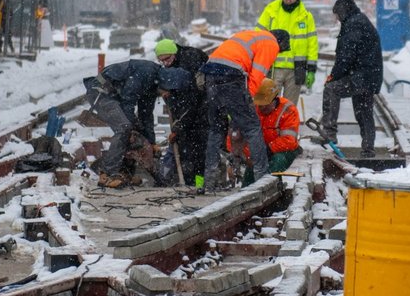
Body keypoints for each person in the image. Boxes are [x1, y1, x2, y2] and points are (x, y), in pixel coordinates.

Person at [200, 28, 291, 189]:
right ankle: (262, 180)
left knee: (216, 128)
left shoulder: (252, 35)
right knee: (252, 127)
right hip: (230, 75)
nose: (278, 54)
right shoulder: (271, 43)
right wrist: (248, 100)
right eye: (281, 50)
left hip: (211, 73)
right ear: (280, 42)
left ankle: (209, 181)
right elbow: (257, 74)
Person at [83, 59, 188, 189]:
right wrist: (132, 131)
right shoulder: (145, 72)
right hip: (100, 92)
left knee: (135, 131)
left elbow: (146, 115)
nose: (167, 95)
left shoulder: (153, 85)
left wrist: (151, 142)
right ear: (166, 83)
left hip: (114, 95)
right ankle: (108, 174)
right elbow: (128, 102)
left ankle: (124, 172)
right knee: (124, 128)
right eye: (168, 91)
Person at [320, 0, 383, 157]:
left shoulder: (353, 24)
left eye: (337, 15)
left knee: (331, 89)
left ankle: (329, 134)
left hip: (360, 76)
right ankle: (368, 147)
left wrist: (333, 76)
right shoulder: (359, 20)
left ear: (343, 11)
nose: (337, 19)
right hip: (368, 76)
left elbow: (346, 56)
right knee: (364, 111)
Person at [154, 38, 209, 187]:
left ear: (174, 53)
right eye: (161, 61)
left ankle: (199, 185)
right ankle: (189, 182)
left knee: (199, 151)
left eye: (167, 59)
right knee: (186, 150)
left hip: (202, 109)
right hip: (189, 109)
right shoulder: (173, 66)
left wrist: (179, 126)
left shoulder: (190, 61)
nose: (165, 63)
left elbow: (193, 100)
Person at [228, 77, 302, 186]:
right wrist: (236, 157)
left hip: (284, 151)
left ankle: (270, 186)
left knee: (278, 161)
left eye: (265, 105)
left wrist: (267, 149)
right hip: (261, 151)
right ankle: (249, 189)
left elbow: (289, 141)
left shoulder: (288, 110)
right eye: (259, 105)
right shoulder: (253, 109)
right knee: (250, 175)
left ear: (274, 99)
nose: (261, 108)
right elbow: (236, 135)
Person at [256, 0, 319, 104]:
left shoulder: (306, 17)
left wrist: (311, 70)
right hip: (274, 68)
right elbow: (258, 36)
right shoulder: (271, 12)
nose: (288, 1)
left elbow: (312, 44)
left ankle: (287, 125)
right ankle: (272, 125)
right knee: (269, 105)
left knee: (289, 107)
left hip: (296, 70)